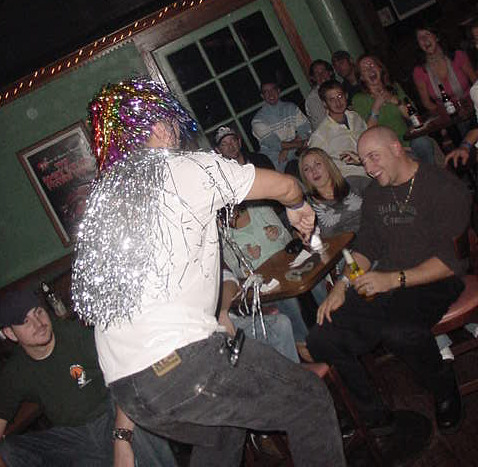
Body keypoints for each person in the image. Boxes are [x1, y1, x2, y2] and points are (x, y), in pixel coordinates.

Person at [72, 77, 345, 466]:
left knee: (222, 433)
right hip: (184, 365)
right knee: (309, 400)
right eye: (169, 121)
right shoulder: (184, 169)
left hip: (132, 392)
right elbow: (285, 186)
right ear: (160, 126)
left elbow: (133, 339)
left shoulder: (112, 205)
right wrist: (298, 206)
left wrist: (123, 435)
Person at [306, 125, 471, 436]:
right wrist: (341, 286)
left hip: (434, 278)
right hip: (387, 278)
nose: (368, 168)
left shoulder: (442, 186)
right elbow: (367, 247)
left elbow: (451, 262)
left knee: (399, 331)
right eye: (363, 161)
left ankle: (443, 386)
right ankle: (375, 415)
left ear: (396, 148)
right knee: (321, 337)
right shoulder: (374, 194)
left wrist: (393, 279)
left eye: (373, 157)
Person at [0, 287, 177, 467]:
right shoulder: (16, 371)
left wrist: (121, 439)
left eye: (38, 312)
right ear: (10, 333)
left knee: (137, 414)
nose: (38, 323)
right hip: (73, 438)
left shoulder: (76, 336)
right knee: (9, 450)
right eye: (25, 321)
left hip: (110, 417)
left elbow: (130, 377)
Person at [220, 203, 309, 349]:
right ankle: (302, 341)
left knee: (315, 281)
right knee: (286, 298)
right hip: (264, 280)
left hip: (287, 265)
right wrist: (247, 256)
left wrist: (277, 232)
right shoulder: (223, 232)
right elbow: (235, 272)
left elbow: (288, 240)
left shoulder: (260, 208)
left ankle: (328, 322)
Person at [298, 147, 363, 307]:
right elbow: (306, 239)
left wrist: (363, 162)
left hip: (373, 240)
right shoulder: (306, 206)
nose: (314, 171)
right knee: (361, 276)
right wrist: (303, 236)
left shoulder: (354, 183)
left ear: (328, 164)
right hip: (345, 255)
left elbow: (388, 185)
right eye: (307, 169)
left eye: (317, 164)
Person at [353, 54, 436, 165]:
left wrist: (396, 101)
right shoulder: (359, 99)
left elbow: (414, 116)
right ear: (362, 77)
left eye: (372, 65)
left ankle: (432, 172)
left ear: (380, 69)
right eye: (365, 68)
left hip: (408, 142)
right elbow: (368, 131)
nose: (370, 69)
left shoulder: (394, 88)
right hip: (386, 149)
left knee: (423, 142)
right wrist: (376, 106)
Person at [308, 80, 370, 194]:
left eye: (340, 96)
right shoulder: (320, 135)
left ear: (346, 96)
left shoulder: (355, 117)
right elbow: (312, 164)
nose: (338, 102)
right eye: (332, 99)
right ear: (325, 104)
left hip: (372, 168)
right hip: (352, 181)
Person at [413, 25, 477, 117]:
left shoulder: (457, 55)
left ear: (437, 37)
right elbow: (427, 103)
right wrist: (448, 113)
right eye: (420, 37)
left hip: (472, 106)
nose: (424, 39)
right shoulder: (419, 71)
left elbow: (475, 81)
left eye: (427, 34)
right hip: (449, 115)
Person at [251, 80, 310, 174]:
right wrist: (299, 144)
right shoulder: (258, 120)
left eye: (273, 89)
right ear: (262, 96)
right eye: (266, 92)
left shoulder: (291, 107)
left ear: (278, 91)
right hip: (276, 161)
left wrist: (287, 149)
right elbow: (276, 144)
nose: (270, 94)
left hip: (297, 153)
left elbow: (305, 129)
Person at [305, 59, 335, 131]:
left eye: (323, 71)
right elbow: (322, 125)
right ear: (313, 78)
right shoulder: (313, 98)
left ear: (330, 72)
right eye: (317, 73)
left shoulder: (338, 87)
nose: (321, 75)